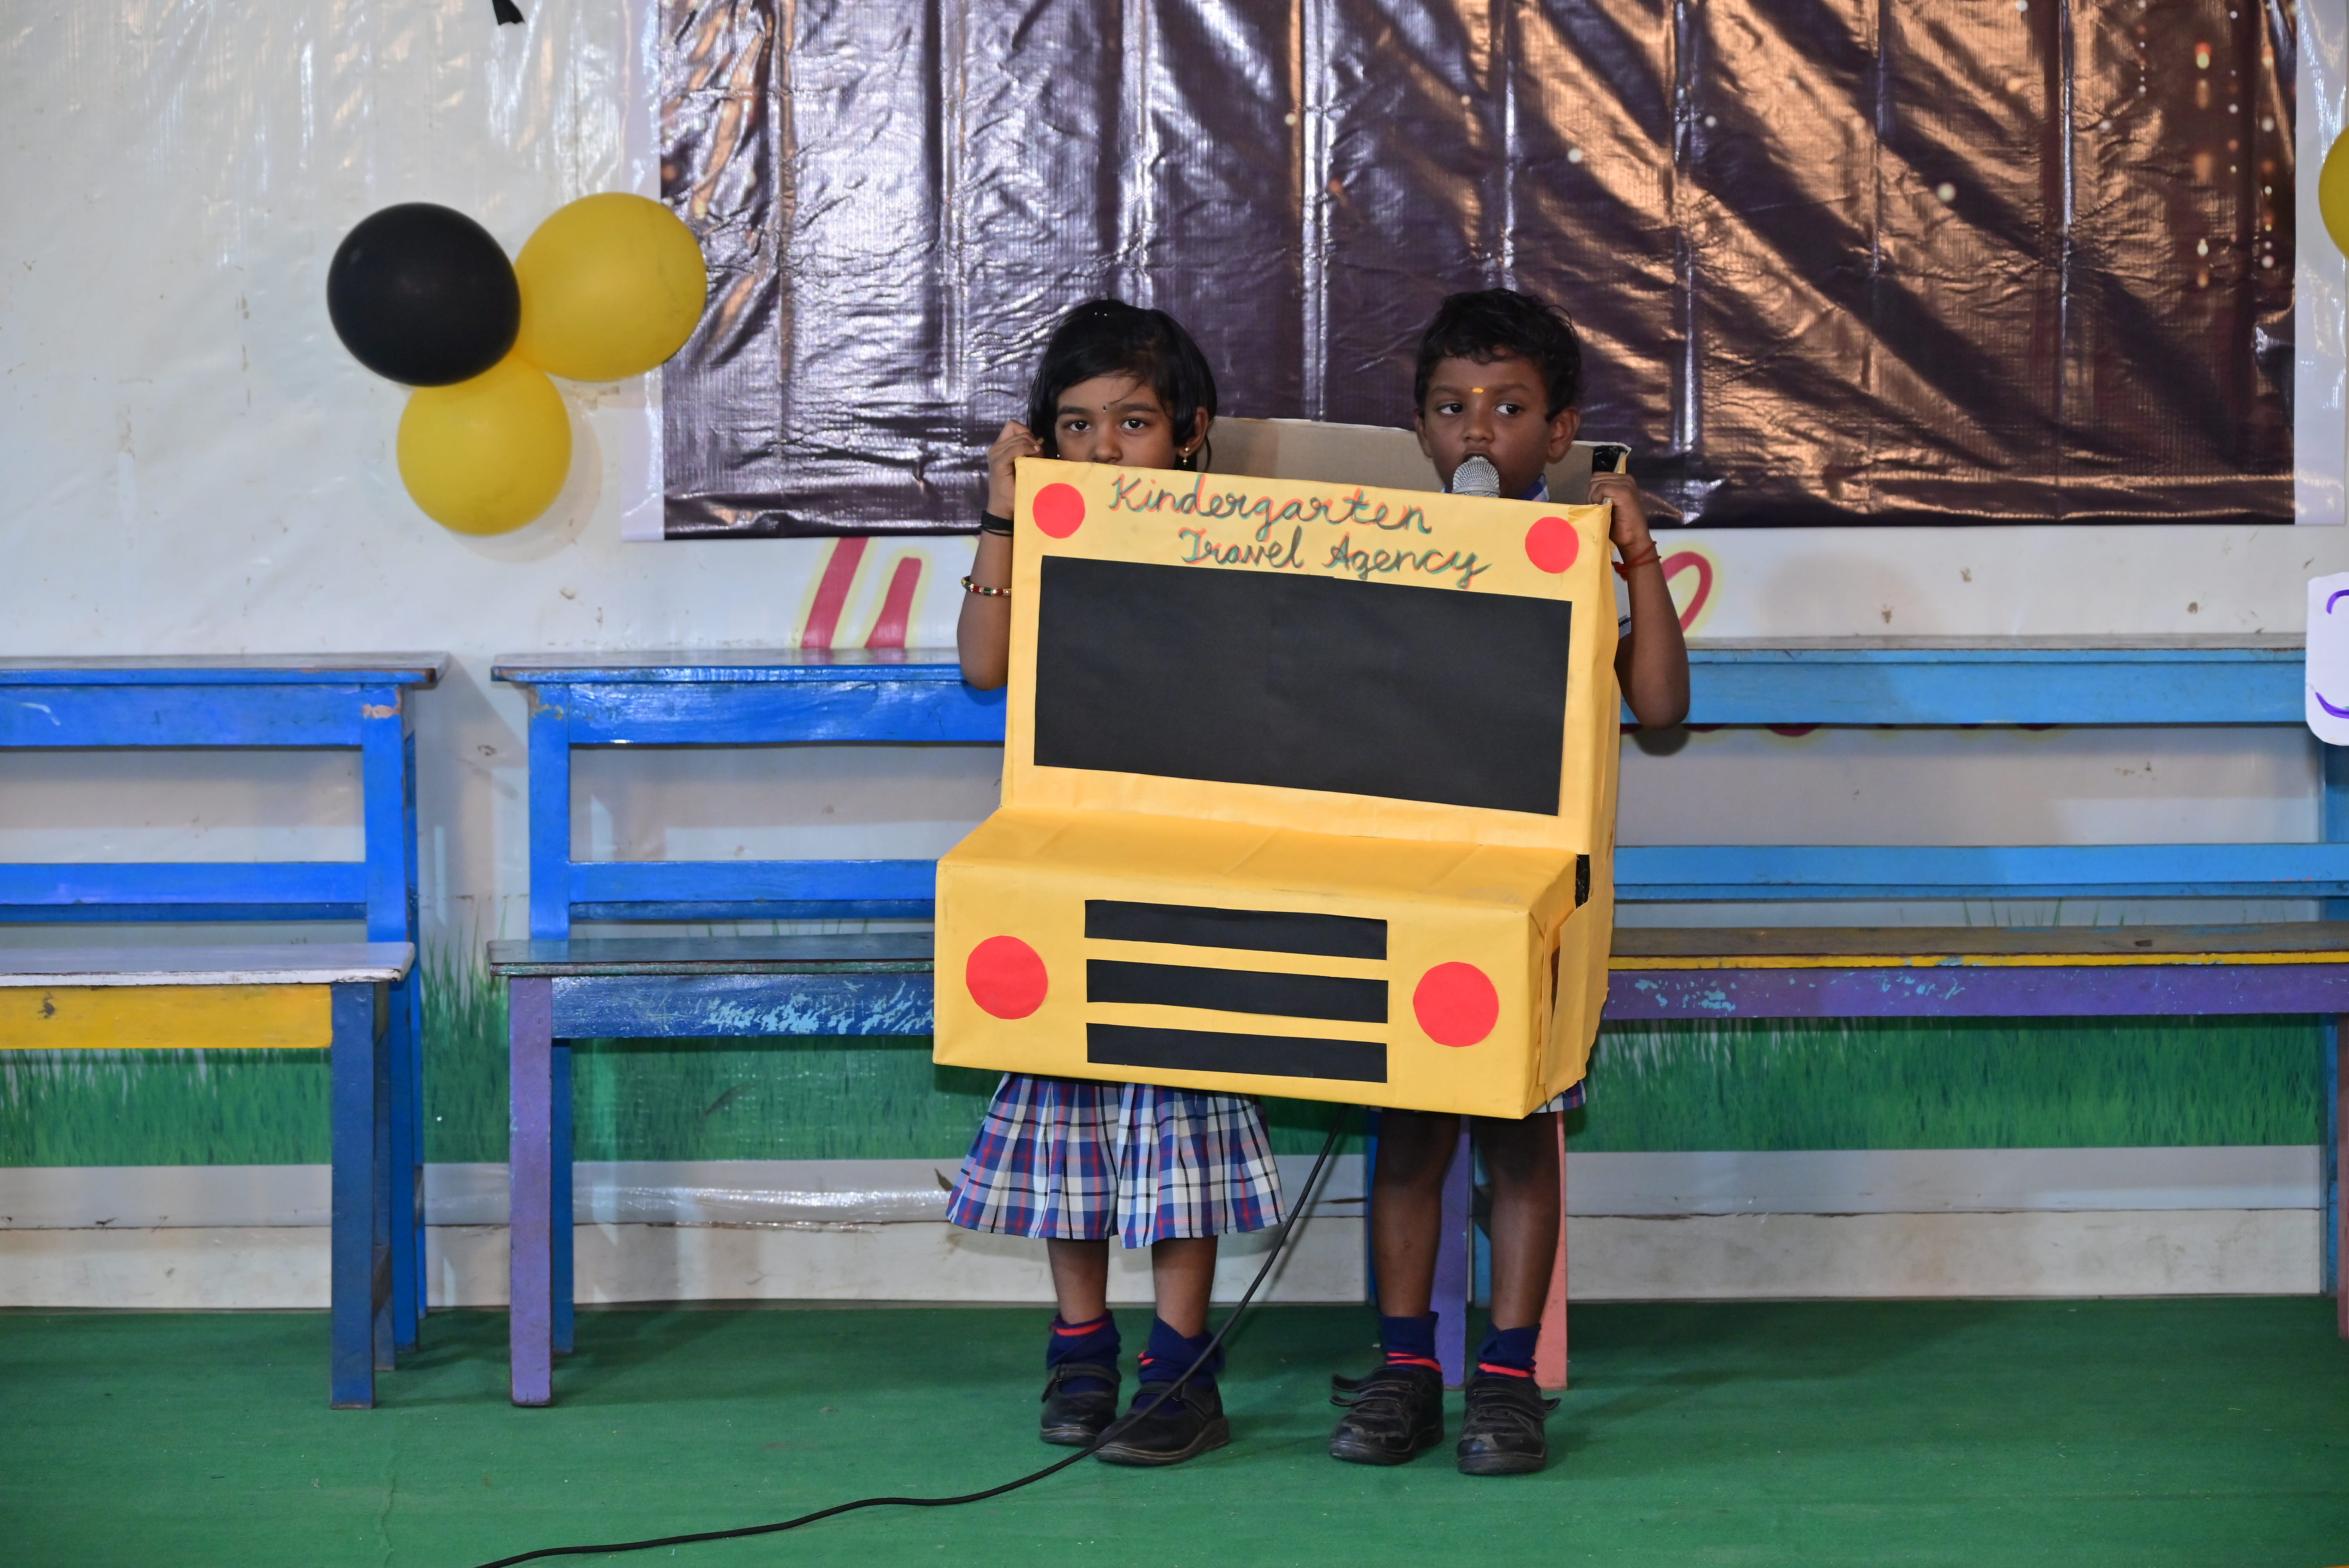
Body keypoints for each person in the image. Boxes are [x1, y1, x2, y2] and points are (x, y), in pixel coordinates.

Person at [1327, 287, 1690, 1477]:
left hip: (1537, 901)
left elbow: (1662, 708)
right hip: (1414, 888)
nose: (1477, 430)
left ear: (1561, 430)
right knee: (1410, 1133)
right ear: (1420, 432)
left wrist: (1636, 555)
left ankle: (1508, 1378)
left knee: (1523, 1136)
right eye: (1451, 408)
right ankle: (1405, 1371)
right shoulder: (1383, 549)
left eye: (1509, 408)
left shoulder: (1580, 549)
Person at [949, 298, 1283, 1466]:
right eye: (1077, 426)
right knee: (1070, 1116)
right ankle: (1081, 1346)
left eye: (1133, 423)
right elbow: (983, 663)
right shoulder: (1035, 546)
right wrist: (1003, 516)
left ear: (1190, 435)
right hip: (1067, 869)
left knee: (1186, 1118)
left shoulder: (1239, 546)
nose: (1103, 451)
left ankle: (1181, 1365)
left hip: (1193, 870)